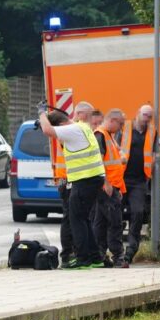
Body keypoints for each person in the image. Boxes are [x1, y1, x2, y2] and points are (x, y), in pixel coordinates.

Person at [38, 107, 108, 269]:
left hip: (85, 179)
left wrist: (41, 113)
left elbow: (48, 130)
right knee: (84, 219)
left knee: (76, 220)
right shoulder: (82, 126)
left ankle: (83, 259)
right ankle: (96, 258)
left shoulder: (71, 129)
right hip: (93, 178)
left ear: (62, 125)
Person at [51, 101, 94, 266]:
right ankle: (68, 255)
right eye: (88, 116)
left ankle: (74, 253)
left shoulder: (71, 129)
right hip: (67, 179)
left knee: (74, 218)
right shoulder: (71, 130)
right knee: (70, 218)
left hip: (69, 178)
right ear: (81, 114)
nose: (89, 120)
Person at [120, 105, 157, 264]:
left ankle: (131, 249)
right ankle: (114, 250)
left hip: (139, 180)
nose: (147, 119)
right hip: (121, 177)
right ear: (137, 114)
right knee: (115, 213)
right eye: (145, 115)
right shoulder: (125, 128)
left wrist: (153, 165)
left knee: (138, 212)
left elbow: (154, 153)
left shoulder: (152, 132)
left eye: (149, 116)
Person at [93, 109, 127, 268]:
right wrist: (106, 183)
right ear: (112, 120)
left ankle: (99, 255)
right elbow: (98, 162)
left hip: (110, 187)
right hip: (107, 187)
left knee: (101, 223)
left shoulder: (108, 136)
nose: (121, 128)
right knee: (115, 222)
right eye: (120, 124)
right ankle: (118, 256)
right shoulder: (101, 135)